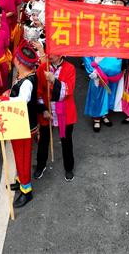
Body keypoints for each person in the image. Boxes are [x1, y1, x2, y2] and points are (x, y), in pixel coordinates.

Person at [0, 43, 42, 208]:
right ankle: (20, 181)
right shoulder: (24, 75)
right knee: (19, 156)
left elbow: (22, 100)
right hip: (19, 123)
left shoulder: (27, 81)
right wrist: (8, 93)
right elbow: (17, 93)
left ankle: (27, 191)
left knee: (23, 158)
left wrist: (4, 99)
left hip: (24, 126)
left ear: (18, 62)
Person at [35, 53, 76, 182]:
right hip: (47, 110)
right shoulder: (42, 67)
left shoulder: (70, 68)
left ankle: (69, 168)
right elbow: (37, 91)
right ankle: (40, 166)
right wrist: (43, 110)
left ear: (60, 55)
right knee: (43, 140)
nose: (49, 54)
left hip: (64, 111)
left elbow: (68, 90)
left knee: (66, 141)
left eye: (52, 53)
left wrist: (53, 80)